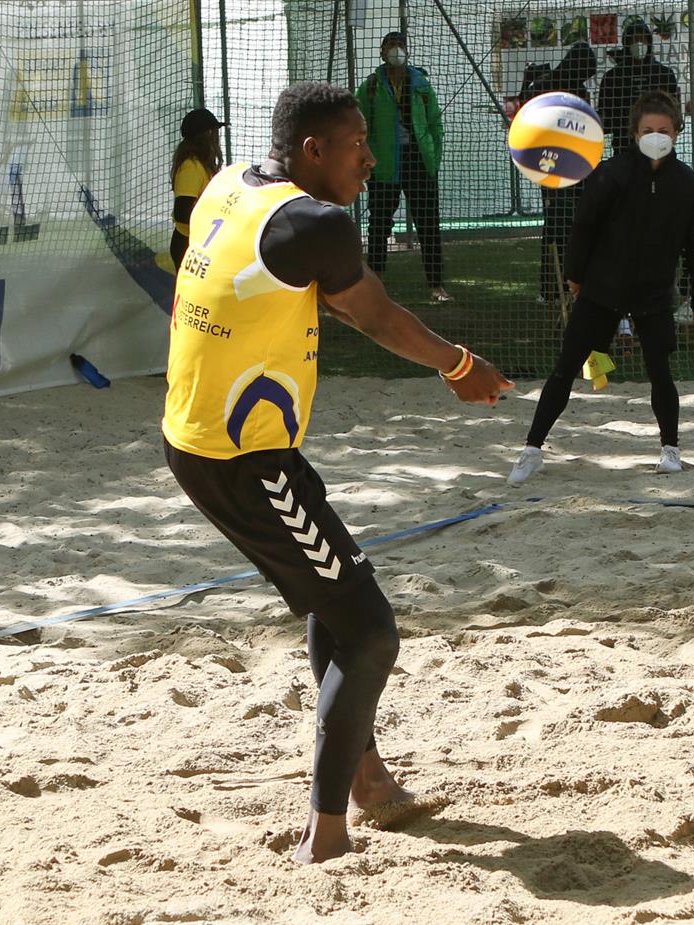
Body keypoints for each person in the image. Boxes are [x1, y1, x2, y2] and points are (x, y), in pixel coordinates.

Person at [162, 82, 512, 863]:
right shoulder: (313, 225)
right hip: (242, 460)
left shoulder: (233, 181)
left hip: (211, 438)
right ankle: (325, 834)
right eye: (357, 144)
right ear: (312, 150)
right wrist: (459, 363)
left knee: (339, 594)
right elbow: (374, 314)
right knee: (372, 631)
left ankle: (368, 775)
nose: (372, 158)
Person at [506, 90, 694, 484]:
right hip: (603, 286)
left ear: (677, 132)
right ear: (635, 133)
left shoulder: (688, 186)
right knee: (566, 367)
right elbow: (584, 227)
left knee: (660, 371)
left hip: (654, 293)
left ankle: (670, 449)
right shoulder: (611, 173)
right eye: (648, 130)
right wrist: (575, 274)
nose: (656, 136)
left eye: (664, 130)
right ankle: (532, 449)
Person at [355, 31, 451, 301]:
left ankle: (436, 285)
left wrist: (433, 157)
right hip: (384, 164)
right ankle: (375, 283)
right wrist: (366, 158)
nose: (395, 50)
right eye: (390, 45)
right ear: (382, 52)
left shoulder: (421, 83)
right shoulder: (371, 86)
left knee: (428, 224)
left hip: (418, 161)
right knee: (379, 224)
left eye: (399, 45)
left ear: (407, 51)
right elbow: (359, 124)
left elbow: (435, 123)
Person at [519, 41, 598, 305]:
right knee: (555, 225)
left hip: (577, 165)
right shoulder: (545, 86)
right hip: (551, 165)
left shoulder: (580, 91)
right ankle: (551, 288)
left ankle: (573, 283)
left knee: (577, 225)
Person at [598, 21, 681, 157]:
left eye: (642, 39)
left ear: (649, 42)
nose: (639, 43)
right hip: (624, 146)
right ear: (626, 44)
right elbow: (605, 114)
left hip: (658, 147)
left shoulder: (664, 74)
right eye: (634, 39)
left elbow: (674, 112)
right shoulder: (612, 77)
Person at [169, 108, 225, 271]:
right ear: (208, 134)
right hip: (188, 244)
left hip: (198, 242)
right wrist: (215, 222)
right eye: (215, 132)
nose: (217, 138)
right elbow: (182, 212)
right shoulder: (191, 166)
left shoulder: (202, 164)